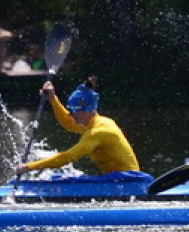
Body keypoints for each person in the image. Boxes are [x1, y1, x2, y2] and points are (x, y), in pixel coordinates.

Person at [14, 76, 142, 177]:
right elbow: (68, 123)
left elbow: (67, 157)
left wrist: (29, 167)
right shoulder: (92, 123)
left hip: (128, 180)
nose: (71, 114)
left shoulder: (98, 132)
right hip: (115, 179)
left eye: (74, 110)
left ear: (88, 110)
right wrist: (53, 99)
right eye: (70, 109)